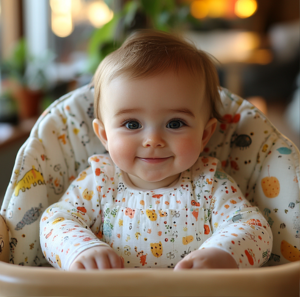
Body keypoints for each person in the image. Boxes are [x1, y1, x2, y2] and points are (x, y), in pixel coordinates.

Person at [40, 30, 272, 271]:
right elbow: (55, 221)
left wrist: (223, 253)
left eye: (175, 123)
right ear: (105, 136)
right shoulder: (98, 184)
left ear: (204, 135)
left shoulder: (210, 185)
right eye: (132, 124)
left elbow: (254, 227)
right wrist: (81, 249)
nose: (152, 140)